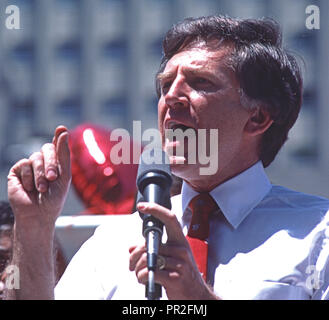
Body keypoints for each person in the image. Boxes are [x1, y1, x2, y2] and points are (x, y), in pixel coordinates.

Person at [5, 15, 329, 300]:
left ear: (257, 118)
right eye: (165, 84)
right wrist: (33, 227)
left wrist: (195, 297)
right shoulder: (112, 242)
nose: (171, 96)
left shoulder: (318, 234)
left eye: (201, 82)